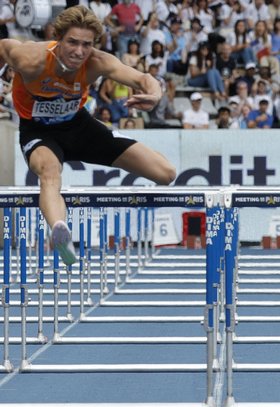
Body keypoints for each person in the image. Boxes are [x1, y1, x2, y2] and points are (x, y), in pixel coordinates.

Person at [0, 5, 176, 266]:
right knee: (49, 172)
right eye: (72, 42)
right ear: (57, 38)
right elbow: (3, 46)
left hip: (80, 127)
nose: (79, 51)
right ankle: (60, 231)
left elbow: (143, 78)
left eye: (86, 44)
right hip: (38, 131)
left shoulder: (97, 61)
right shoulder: (30, 59)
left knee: (166, 174)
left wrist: (155, 95)